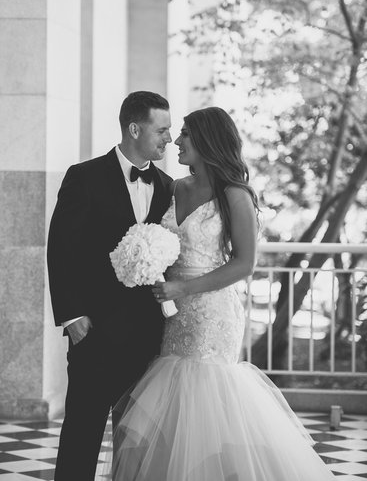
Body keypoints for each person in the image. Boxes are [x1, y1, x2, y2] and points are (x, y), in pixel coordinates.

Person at [108, 107, 335, 480]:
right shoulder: (174, 187)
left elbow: (244, 264)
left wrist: (184, 287)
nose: (176, 142)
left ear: (208, 140)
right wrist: (145, 264)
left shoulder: (235, 195)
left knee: (204, 396)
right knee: (171, 402)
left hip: (211, 311)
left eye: (185, 135)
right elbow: (159, 240)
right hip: (171, 309)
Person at [47, 91, 173, 481]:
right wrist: (72, 317)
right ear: (135, 128)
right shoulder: (83, 176)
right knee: (82, 430)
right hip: (94, 331)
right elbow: (61, 249)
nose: (168, 138)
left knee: (135, 435)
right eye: (162, 129)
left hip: (147, 334)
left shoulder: (168, 186)